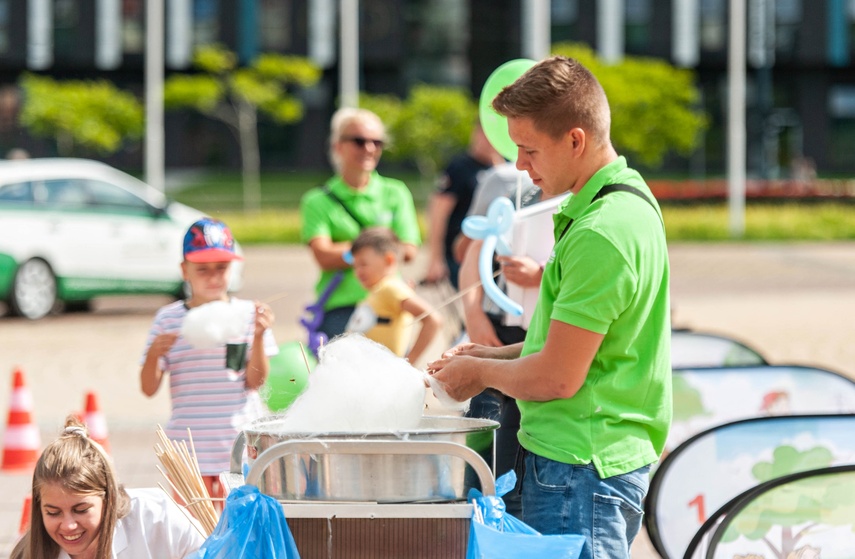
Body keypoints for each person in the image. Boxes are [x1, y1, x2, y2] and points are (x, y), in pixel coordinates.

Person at [427, 55, 671, 558]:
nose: (519, 164)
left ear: (576, 140)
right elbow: (571, 349)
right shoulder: (623, 200)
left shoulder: (602, 232)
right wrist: (488, 355)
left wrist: (479, 374)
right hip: (586, 461)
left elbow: (558, 378)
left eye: (529, 149)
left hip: (579, 469)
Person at [140, 217, 277, 505]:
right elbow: (148, 388)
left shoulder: (249, 315)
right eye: (202, 269)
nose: (213, 277)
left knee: (237, 521)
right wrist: (153, 354)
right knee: (192, 523)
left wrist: (259, 337)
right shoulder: (168, 319)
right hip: (189, 446)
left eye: (221, 268)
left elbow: (256, 382)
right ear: (184, 270)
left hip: (238, 443)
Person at [300, 107, 421, 341]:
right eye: (359, 141)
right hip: (341, 307)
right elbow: (323, 256)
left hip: (387, 302)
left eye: (377, 142)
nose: (369, 148)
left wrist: (348, 252)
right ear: (338, 146)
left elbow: (408, 250)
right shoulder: (316, 200)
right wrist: (378, 250)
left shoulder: (396, 192)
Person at [11, 415, 204, 559]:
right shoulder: (28, 554)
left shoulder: (158, 519)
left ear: (109, 498)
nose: (69, 525)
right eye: (53, 513)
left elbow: (211, 552)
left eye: (81, 509)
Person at [345, 226, 442, 366]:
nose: (357, 272)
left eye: (363, 264)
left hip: (382, 373)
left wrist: (408, 363)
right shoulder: (378, 290)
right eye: (355, 266)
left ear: (389, 260)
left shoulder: (391, 287)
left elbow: (432, 320)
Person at [423, 122, 503, 289]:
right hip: (460, 252)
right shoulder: (459, 167)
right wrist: (436, 259)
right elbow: (438, 213)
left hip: (494, 253)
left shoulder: (506, 166)